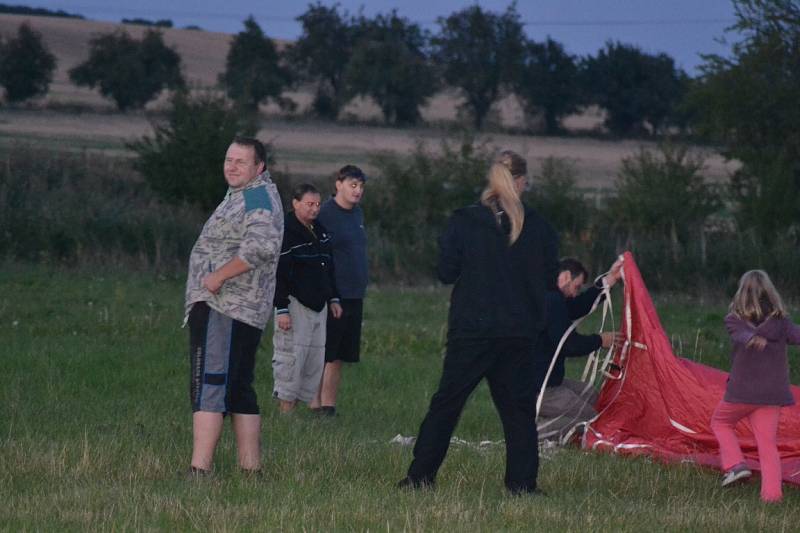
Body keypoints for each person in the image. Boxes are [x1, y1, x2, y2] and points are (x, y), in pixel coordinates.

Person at [399, 150, 558, 494]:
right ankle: (522, 484)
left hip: (473, 330)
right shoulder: (541, 227)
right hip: (518, 331)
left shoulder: (465, 220)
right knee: (518, 413)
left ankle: (420, 478)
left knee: (447, 405)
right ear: (521, 181)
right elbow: (549, 281)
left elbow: (446, 272)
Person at [184, 136, 283, 475]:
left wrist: (218, 277)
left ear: (260, 167)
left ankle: (199, 470)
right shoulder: (244, 194)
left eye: (241, 161)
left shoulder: (256, 194)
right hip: (237, 307)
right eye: (229, 159)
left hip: (228, 306)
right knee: (238, 387)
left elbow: (260, 247)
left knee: (210, 384)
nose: (232, 166)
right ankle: (251, 471)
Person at [710, 270, 800, 503]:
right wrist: (751, 338)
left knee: (720, 422)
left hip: (742, 393)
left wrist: (750, 338)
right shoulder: (781, 323)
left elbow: (739, 333)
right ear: (771, 294)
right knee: (768, 444)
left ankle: (735, 464)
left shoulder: (733, 319)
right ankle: (771, 496)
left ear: (742, 294)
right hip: (772, 395)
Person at [535, 257, 623, 441]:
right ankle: (534, 433)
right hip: (537, 388)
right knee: (593, 420)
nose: (575, 294)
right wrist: (600, 340)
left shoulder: (550, 295)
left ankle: (546, 419)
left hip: (547, 381)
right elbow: (569, 344)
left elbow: (576, 306)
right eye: (576, 287)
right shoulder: (550, 298)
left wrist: (609, 280)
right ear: (566, 276)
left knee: (592, 396)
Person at [272, 183, 342, 413]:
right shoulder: (286, 232)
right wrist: (281, 308)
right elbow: (278, 273)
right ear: (295, 203)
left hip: (319, 305)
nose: (314, 209)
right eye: (309, 204)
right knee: (292, 357)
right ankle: (285, 413)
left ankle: (302, 410)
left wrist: (334, 298)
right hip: (295, 305)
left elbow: (329, 268)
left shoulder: (320, 231)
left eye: (318, 205)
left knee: (313, 358)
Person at [311, 165, 368, 416]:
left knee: (339, 356)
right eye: (353, 185)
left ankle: (329, 407)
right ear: (339, 184)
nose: (357, 191)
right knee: (324, 351)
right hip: (334, 294)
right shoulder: (324, 214)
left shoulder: (358, 215)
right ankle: (313, 406)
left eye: (361, 187)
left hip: (355, 294)